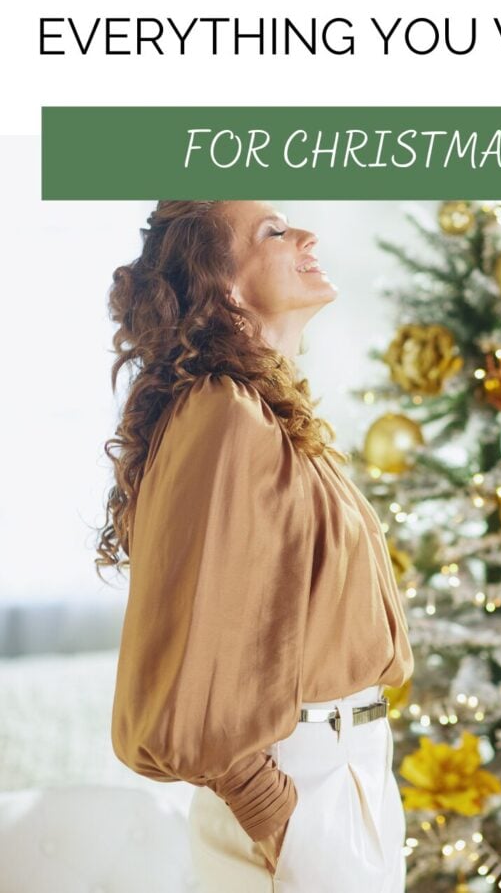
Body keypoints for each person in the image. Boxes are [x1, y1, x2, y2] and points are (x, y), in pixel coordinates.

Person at [96, 199, 415, 892]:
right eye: (274, 232)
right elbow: (193, 660)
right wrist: (276, 812)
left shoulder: (261, 410)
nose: (307, 235)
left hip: (344, 771)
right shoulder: (225, 413)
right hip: (301, 781)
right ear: (227, 286)